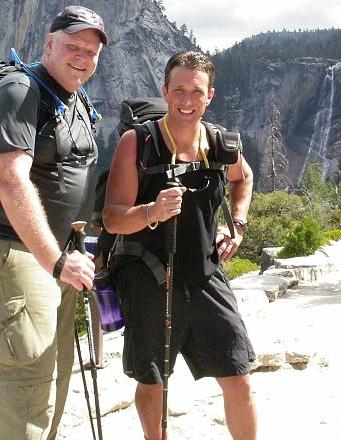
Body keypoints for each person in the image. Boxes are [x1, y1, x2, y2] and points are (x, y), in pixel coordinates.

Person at [0, 5, 107, 439]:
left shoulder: (75, 99)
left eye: (92, 50)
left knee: (58, 372)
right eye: (73, 46)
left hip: (59, 254)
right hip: (15, 251)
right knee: (28, 383)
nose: (82, 56)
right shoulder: (20, 90)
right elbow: (9, 178)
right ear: (48, 43)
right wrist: (55, 260)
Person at [103, 50, 258, 440]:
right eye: (178, 91)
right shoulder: (136, 143)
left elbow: (245, 177)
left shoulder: (221, 143)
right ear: (165, 91)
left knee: (237, 375)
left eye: (196, 91)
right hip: (149, 275)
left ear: (210, 95)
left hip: (207, 274)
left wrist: (236, 225)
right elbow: (113, 217)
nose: (186, 101)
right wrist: (152, 211)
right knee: (153, 380)